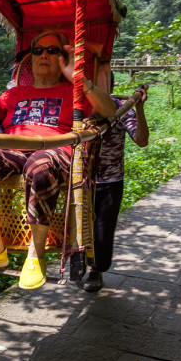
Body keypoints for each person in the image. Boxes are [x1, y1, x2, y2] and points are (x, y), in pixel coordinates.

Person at [0, 31, 116, 290]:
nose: (44, 54)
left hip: (54, 149)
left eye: (52, 50)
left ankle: (36, 255)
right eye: (38, 50)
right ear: (30, 60)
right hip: (12, 148)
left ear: (63, 58)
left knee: (40, 165)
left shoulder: (74, 92)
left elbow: (109, 111)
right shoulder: (13, 93)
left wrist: (76, 76)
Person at [71, 81, 150, 292]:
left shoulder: (121, 110)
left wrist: (139, 108)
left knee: (103, 231)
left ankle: (96, 271)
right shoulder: (76, 109)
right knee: (76, 227)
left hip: (110, 182)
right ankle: (77, 264)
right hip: (79, 181)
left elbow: (142, 141)